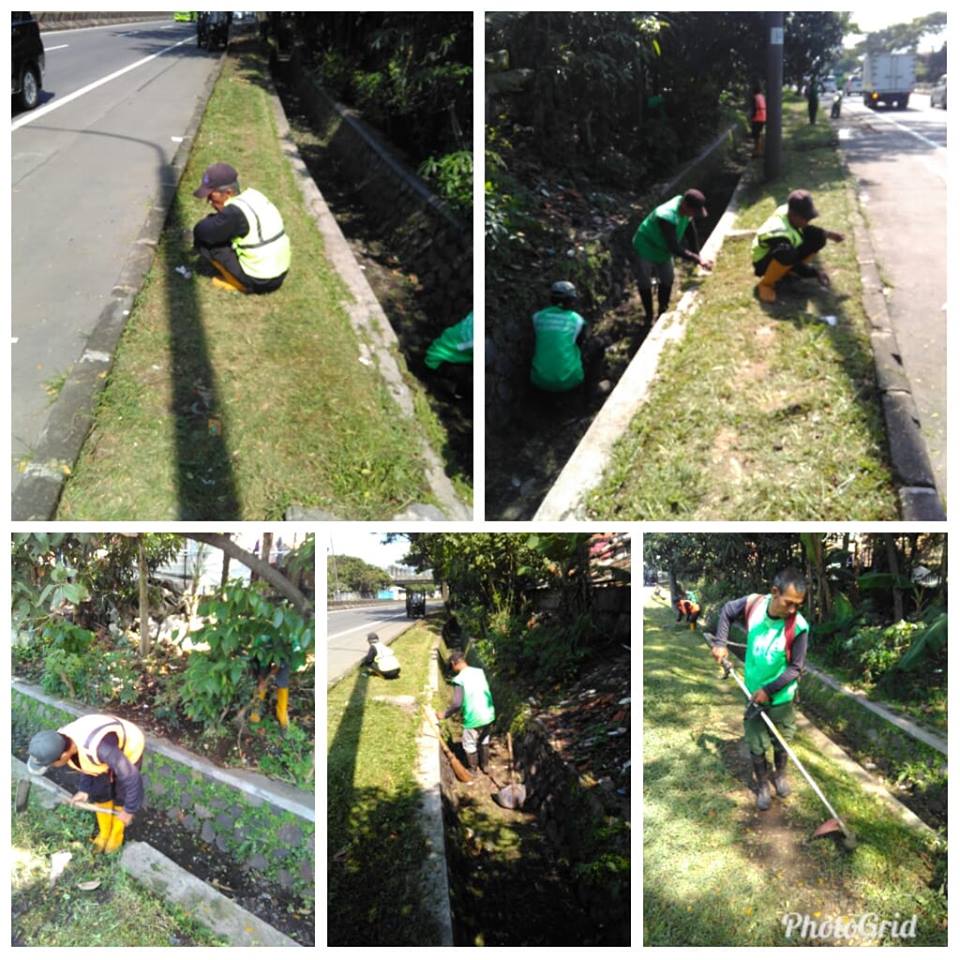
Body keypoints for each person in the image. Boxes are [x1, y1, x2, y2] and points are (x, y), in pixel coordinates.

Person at [708, 568, 810, 811]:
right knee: (756, 743)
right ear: (775, 593)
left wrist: (770, 689)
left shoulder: (799, 627)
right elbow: (726, 612)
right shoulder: (753, 605)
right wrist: (721, 643)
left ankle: (780, 775)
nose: (793, 609)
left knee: (781, 741)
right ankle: (763, 785)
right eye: (789, 603)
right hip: (753, 694)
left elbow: (795, 668)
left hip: (781, 698)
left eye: (799, 605)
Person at [27, 714, 146, 853]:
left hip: (128, 747)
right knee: (98, 791)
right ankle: (104, 832)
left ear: (64, 756)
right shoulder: (60, 741)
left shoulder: (101, 749)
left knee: (122, 794)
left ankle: (116, 835)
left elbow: (132, 778)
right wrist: (84, 790)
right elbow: (84, 762)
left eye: (51, 764)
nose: (52, 766)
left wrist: (129, 810)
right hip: (102, 752)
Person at [192, 161, 290, 294]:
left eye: (211, 195)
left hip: (261, 280)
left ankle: (240, 284)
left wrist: (210, 219)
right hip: (279, 273)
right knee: (219, 231)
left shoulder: (234, 213)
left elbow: (201, 231)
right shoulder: (254, 196)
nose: (209, 201)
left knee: (205, 243)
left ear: (228, 192)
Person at [632, 189, 714, 324]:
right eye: (693, 212)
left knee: (667, 278)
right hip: (646, 245)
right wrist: (698, 259)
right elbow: (674, 247)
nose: (693, 215)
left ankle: (662, 312)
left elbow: (690, 233)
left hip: (662, 248)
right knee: (644, 281)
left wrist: (698, 254)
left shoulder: (687, 209)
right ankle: (648, 316)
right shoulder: (667, 215)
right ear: (685, 206)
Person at [751, 189, 845, 304]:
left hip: (784, 254)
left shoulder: (791, 212)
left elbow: (809, 230)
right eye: (806, 219)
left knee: (819, 236)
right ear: (793, 215)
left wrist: (829, 234)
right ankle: (766, 284)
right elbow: (792, 260)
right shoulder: (779, 233)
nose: (807, 222)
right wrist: (815, 273)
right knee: (787, 253)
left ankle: (789, 273)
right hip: (763, 262)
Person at [436, 648, 495, 778]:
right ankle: (485, 766)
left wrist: (445, 714)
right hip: (488, 713)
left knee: (469, 744)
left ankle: (473, 770)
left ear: (454, 663)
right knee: (484, 739)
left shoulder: (459, 679)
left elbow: (457, 703)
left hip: (474, 717)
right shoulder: (479, 672)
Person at [530, 281, 588, 393]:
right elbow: (580, 344)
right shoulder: (578, 320)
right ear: (571, 300)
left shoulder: (537, 317)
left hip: (539, 380)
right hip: (570, 380)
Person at [250, 661, 291, 727]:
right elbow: (259, 669)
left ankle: (282, 717)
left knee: (283, 682)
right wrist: (261, 681)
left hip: (284, 658)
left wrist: (272, 673)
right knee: (261, 678)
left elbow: (279, 665)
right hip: (264, 657)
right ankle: (255, 714)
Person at [750, 83, 767, 158]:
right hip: (763, 117)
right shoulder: (762, 97)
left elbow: (754, 109)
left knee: (756, 136)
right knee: (759, 134)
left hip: (757, 117)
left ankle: (757, 152)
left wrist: (751, 117)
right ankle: (759, 150)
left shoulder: (755, 97)